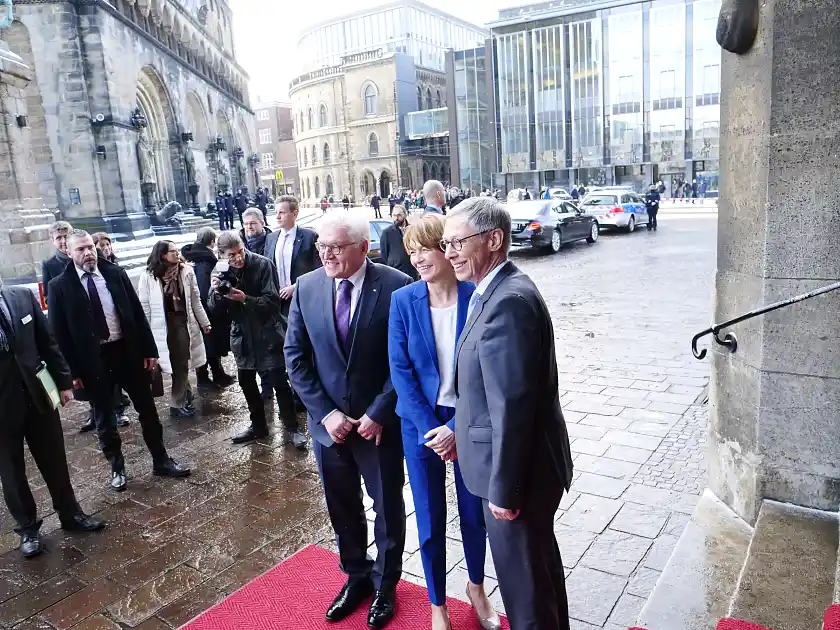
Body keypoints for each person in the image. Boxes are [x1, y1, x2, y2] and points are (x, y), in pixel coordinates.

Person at [442, 198, 574, 629]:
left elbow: (512, 406)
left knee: (527, 594)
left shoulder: (509, 301)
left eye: (457, 242)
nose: (449, 253)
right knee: (538, 578)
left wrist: (505, 489)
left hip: (519, 475)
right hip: (515, 467)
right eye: (446, 243)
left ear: (494, 239)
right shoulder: (495, 290)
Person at [284, 213, 411, 629]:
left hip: (379, 427)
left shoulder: (397, 286)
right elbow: (297, 358)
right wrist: (327, 414)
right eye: (321, 247)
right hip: (330, 427)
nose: (326, 254)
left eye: (336, 247)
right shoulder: (307, 287)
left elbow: (407, 359)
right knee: (342, 506)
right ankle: (356, 576)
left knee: (388, 508)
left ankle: (385, 583)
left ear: (362, 247)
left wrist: (378, 412)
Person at [387, 215, 499, 630]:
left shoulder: (479, 297)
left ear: (448, 249)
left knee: (474, 514)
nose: (417, 258)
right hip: (420, 426)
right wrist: (432, 427)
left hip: (468, 424)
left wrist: (457, 427)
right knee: (430, 517)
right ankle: (437, 604)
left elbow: (490, 372)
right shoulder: (404, 300)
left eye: (424, 249)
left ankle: (475, 586)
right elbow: (400, 371)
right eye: (411, 250)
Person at [48, 230, 190, 491]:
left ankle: (161, 459)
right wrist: (72, 372)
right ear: (69, 252)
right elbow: (60, 334)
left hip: (126, 352)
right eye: (80, 249)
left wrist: (149, 351)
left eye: (90, 247)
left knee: (147, 410)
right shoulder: (59, 286)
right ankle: (117, 468)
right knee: (104, 417)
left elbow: (136, 313)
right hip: (93, 361)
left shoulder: (114, 273)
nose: (88, 252)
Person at [0, 279, 106, 557]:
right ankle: (27, 529)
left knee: (54, 458)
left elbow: (46, 341)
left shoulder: (21, 296)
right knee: (11, 469)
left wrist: (63, 381)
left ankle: (70, 514)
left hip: (37, 394)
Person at [209, 231, 290, 445]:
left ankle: (292, 428)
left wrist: (245, 299)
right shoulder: (220, 272)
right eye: (232, 255)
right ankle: (258, 426)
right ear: (222, 255)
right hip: (242, 337)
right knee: (247, 383)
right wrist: (217, 292)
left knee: (279, 381)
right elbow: (213, 309)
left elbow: (272, 302)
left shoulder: (263, 264)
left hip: (267, 333)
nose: (238, 258)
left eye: (241, 252)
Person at [262, 195, 321, 448]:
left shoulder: (308, 237)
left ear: (294, 213)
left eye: (282, 212)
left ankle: (304, 394)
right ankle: (294, 392)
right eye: (275, 213)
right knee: (286, 345)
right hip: (277, 302)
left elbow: (320, 268)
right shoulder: (271, 238)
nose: (277, 217)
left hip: (301, 296)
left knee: (304, 345)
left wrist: (297, 286)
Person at [139, 241, 212, 418]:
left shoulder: (186, 271)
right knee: (175, 364)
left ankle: (177, 401)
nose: (177, 254)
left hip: (182, 323)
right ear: (162, 255)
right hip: (161, 326)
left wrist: (205, 322)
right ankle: (182, 397)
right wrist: (145, 332)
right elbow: (144, 304)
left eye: (176, 250)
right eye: (172, 251)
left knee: (182, 363)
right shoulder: (148, 275)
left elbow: (195, 299)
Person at [182, 228, 235, 389]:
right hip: (206, 309)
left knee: (208, 343)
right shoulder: (205, 261)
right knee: (208, 344)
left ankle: (217, 373)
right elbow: (205, 290)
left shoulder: (194, 256)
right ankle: (205, 378)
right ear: (212, 242)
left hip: (199, 308)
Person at [91, 232, 131, 428]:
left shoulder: (115, 269)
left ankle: (119, 406)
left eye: (107, 245)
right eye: (101, 246)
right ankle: (112, 410)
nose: (105, 249)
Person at [379, 207, 418, 280]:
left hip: (412, 271)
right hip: (396, 272)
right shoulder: (387, 232)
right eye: (394, 215)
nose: (396, 218)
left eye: (399, 215)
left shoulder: (413, 229)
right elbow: (384, 254)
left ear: (405, 215)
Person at [41, 220, 73, 307]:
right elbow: (47, 296)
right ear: (53, 240)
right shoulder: (48, 264)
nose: (64, 241)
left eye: (66, 236)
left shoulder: (84, 256)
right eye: (59, 238)